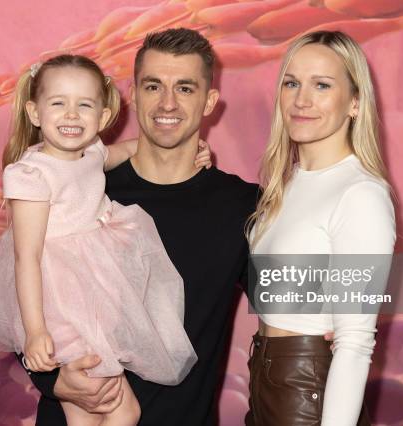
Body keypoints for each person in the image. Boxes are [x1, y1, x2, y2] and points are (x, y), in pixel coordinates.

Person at [24, 29, 260, 426]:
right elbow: (21, 292)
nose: (167, 102)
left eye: (185, 88)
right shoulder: (80, 187)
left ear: (209, 102)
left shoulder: (243, 204)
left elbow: (297, 310)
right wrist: (53, 379)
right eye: (154, 86)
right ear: (134, 94)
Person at [0, 54, 211, 425]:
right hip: (62, 303)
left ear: (102, 116)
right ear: (34, 113)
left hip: (98, 298)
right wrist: (35, 332)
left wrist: (194, 150)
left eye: (84, 105)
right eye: (58, 103)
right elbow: (27, 257)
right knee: (120, 409)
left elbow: (128, 150)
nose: (71, 114)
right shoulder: (31, 175)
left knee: (89, 412)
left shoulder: (91, 153)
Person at [245, 31, 396, 425]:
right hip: (267, 384)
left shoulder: (360, 194)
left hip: (307, 395)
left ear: (355, 103)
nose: (302, 99)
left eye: (322, 85)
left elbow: (355, 343)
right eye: (292, 83)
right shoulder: (287, 184)